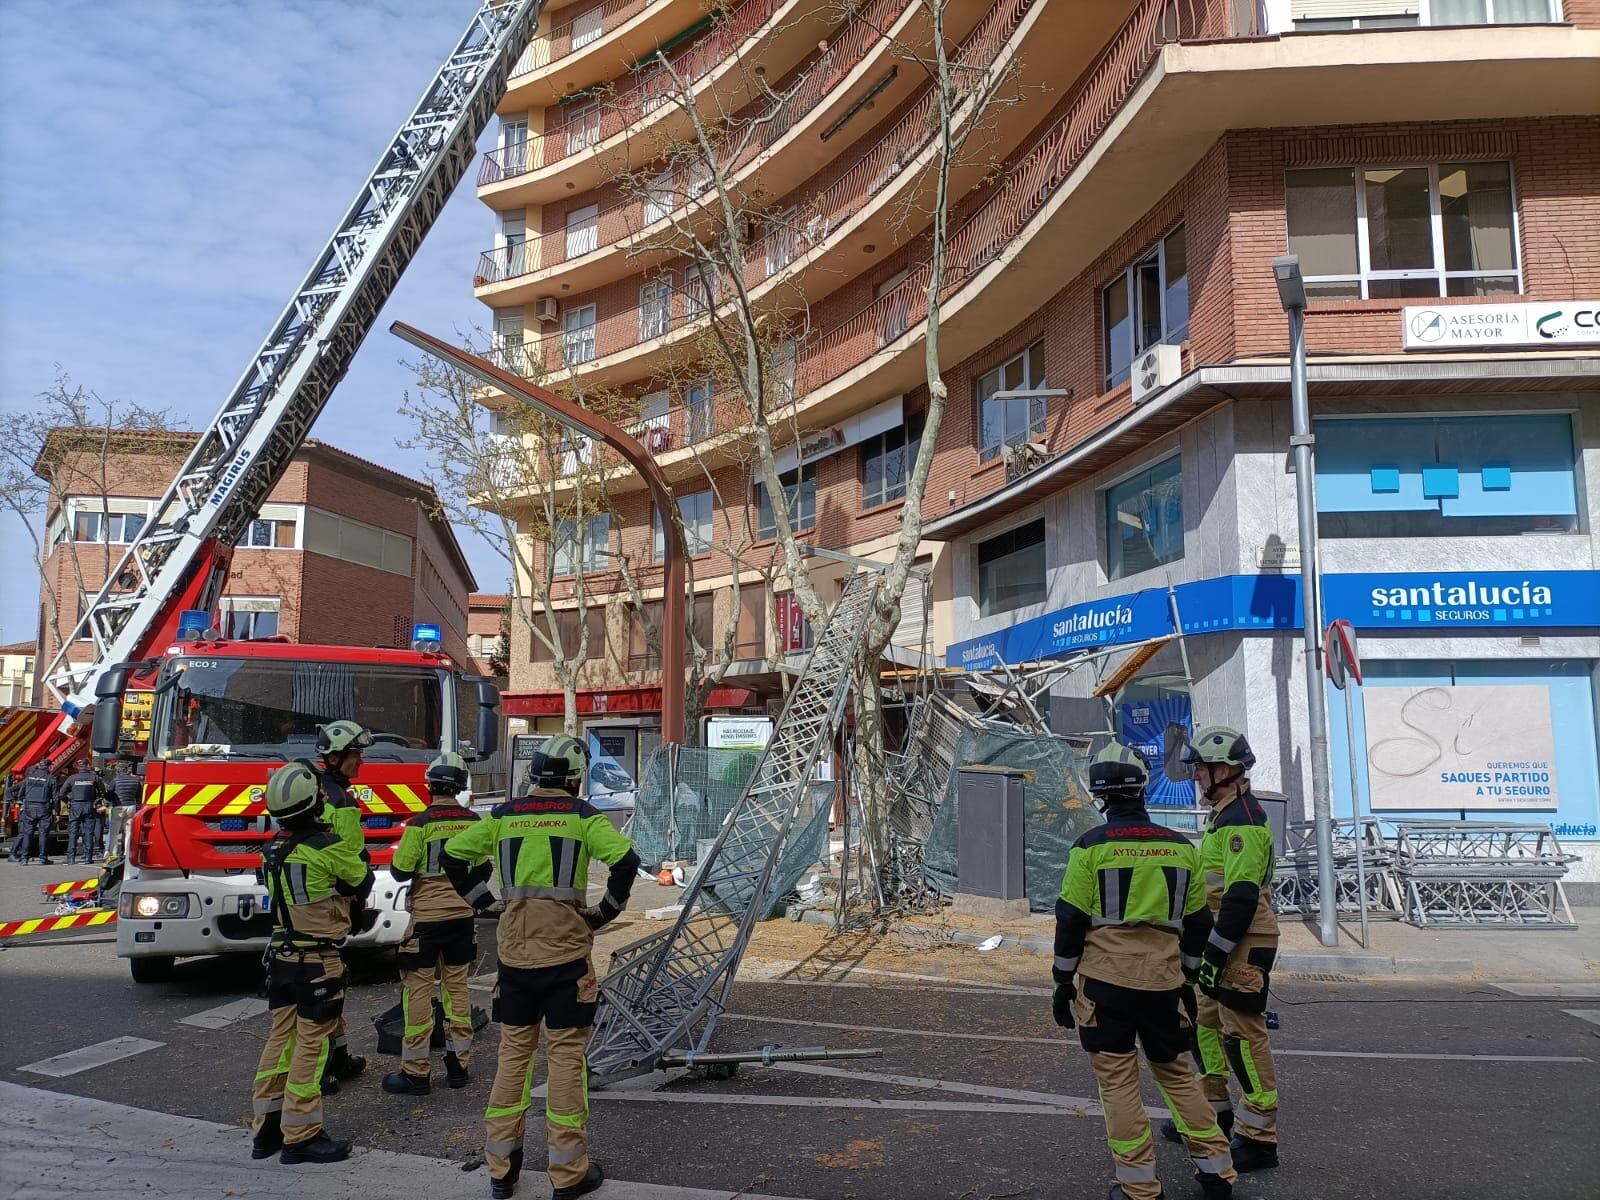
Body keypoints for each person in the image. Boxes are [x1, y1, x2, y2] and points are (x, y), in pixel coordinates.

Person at [443, 734, 641, 1200]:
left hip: (515, 957)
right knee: (566, 1062)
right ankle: (568, 1175)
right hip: (566, 956)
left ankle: (501, 1172)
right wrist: (606, 911)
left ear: (535, 775)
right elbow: (627, 861)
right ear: (575, 778)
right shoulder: (583, 817)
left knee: (513, 1058)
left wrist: (483, 901)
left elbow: (452, 855)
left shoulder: (503, 816)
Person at [1054, 742, 1238, 1200]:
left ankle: (1140, 1189)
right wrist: (1190, 978)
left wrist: (1061, 981)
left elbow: (1070, 918)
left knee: (1117, 1083)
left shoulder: (1089, 848)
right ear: (1141, 788)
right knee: (1177, 1074)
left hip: (1105, 985)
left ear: (1100, 794)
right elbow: (1199, 924)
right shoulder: (1181, 847)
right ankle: (1218, 1174)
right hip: (1164, 984)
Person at [1158, 725, 1280, 1174]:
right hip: (1224, 939)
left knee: (1243, 1036)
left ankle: (1259, 1139)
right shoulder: (1224, 814)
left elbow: (1242, 898)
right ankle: (1216, 1117)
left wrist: (1213, 955)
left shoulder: (1242, 822)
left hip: (1244, 940)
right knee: (1205, 1027)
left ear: (1225, 771)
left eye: (1201, 771)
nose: (1196, 778)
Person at [249, 761, 373, 1165]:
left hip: (282, 958)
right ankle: (301, 1135)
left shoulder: (270, 849)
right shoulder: (325, 846)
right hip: (317, 960)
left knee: (278, 1041)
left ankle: (265, 1129)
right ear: (312, 803)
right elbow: (361, 879)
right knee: (310, 1048)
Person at [383, 751, 488, 1095]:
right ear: (459, 786)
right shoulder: (474, 822)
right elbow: (484, 869)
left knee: (418, 992)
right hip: (462, 916)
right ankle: (459, 1066)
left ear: (429, 786)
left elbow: (399, 871)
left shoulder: (419, 824)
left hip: (426, 921)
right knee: (456, 989)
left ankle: (416, 1072)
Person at [308, 719, 376, 1089]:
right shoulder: (341, 801)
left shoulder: (313, 792)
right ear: (335, 758)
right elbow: (352, 860)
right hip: (331, 906)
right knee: (327, 988)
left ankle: (338, 1055)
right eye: (356, 755)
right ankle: (321, 1069)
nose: (361, 762)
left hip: (308, 904)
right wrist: (359, 896)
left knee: (332, 985)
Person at [59, 758, 105, 866]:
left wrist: (69, 800)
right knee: (88, 832)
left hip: (75, 806)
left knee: (73, 833)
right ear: (88, 766)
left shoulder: (72, 778)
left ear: (79, 767)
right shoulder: (94, 777)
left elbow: (61, 794)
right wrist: (97, 800)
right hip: (89, 806)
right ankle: (88, 858)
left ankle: (71, 858)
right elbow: (103, 792)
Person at [15, 766, 54, 864]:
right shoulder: (50, 778)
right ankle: (43, 858)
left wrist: (23, 803)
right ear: (48, 768)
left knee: (27, 833)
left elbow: (21, 793)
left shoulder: (29, 778)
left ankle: (24, 858)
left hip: (29, 808)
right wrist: (55, 811)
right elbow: (56, 797)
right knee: (43, 833)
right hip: (43, 807)